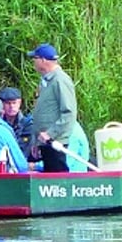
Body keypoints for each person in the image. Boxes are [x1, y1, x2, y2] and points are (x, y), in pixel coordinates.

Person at [28, 43, 88, 173]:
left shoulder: (60, 80)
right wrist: (37, 142)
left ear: (43, 60)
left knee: (58, 181)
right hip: (45, 142)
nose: (33, 62)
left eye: (35, 58)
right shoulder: (46, 81)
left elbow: (69, 112)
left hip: (56, 142)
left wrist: (50, 134)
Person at [0, 86, 34, 159]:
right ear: (2, 104)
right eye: (8, 103)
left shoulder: (28, 124)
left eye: (14, 103)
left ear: (19, 103)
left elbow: (24, 151)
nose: (11, 106)